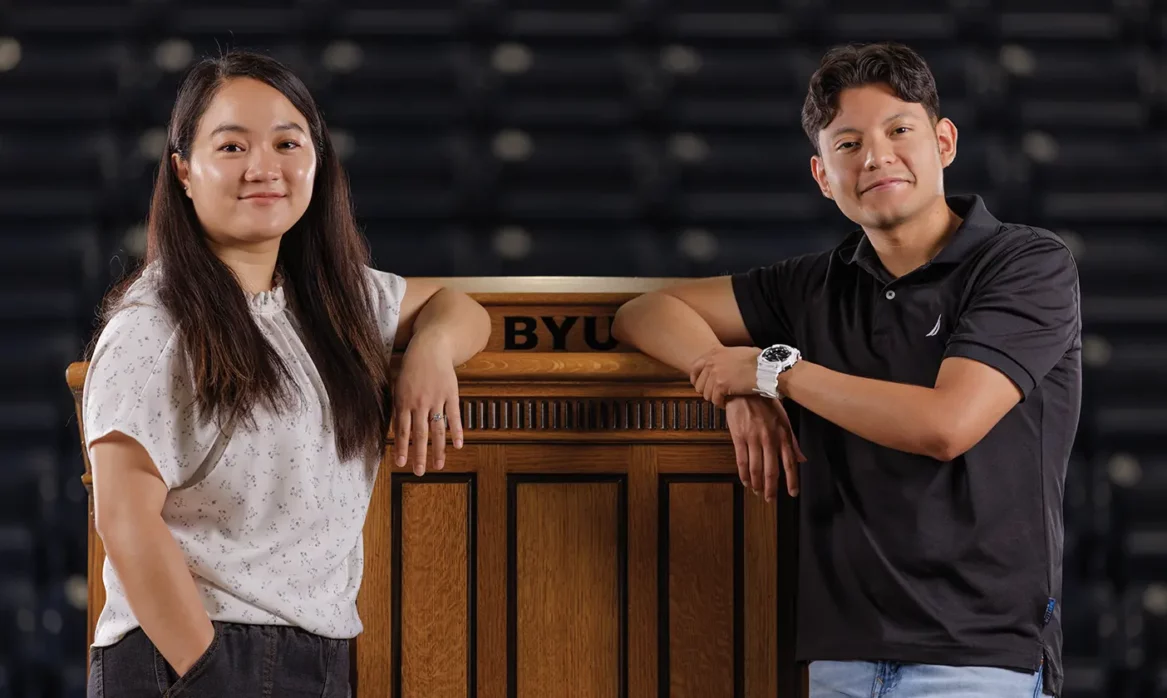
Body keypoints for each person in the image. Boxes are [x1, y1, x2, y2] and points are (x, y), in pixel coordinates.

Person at [613, 42, 1080, 698]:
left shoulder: (1024, 264)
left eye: (898, 131)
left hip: (976, 658)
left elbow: (945, 426)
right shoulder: (812, 284)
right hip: (839, 658)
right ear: (821, 175)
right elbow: (644, 310)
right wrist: (732, 387)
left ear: (942, 142)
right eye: (848, 144)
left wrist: (774, 373)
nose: (876, 157)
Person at [81, 50, 491, 696]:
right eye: (232, 146)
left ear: (317, 161)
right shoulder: (152, 325)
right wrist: (210, 670)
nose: (263, 168)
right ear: (184, 171)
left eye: (286, 142)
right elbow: (125, 521)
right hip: (195, 654)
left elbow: (460, 307)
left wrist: (432, 351)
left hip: (318, 653)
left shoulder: (333, 300)